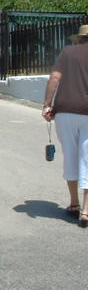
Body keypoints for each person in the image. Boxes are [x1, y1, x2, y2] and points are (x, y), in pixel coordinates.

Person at [42, 24, 88, 225]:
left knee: (71, 155)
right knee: (87, 158)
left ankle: (74, 203)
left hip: (66, 111)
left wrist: (47, 104)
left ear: (79, 39)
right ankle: (86, 210)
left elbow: (55, 77)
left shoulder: (68, 52)